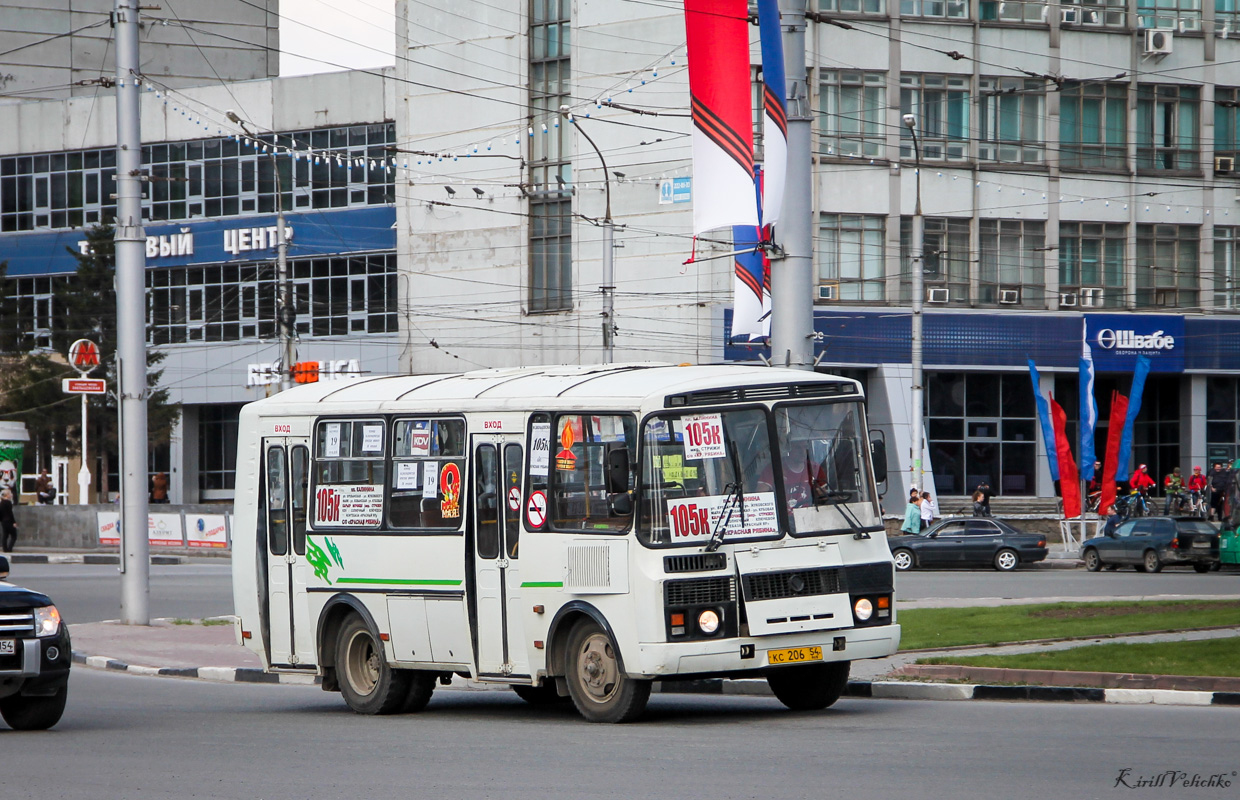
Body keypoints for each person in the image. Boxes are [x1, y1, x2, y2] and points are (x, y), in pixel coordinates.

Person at [0, 488, 17, 553]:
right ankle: (9, 549)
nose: (11, 495)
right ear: (7, 495)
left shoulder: (1, 502)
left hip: (3, 521)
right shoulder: (8, 502)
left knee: (5, 535)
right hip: (9, 521)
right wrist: (14, 522)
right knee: (14, 535)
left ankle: (5, 549)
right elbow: (10, 513)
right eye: (10, 494)